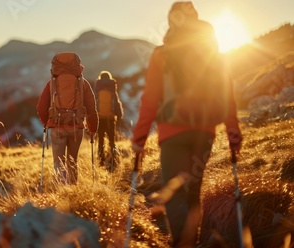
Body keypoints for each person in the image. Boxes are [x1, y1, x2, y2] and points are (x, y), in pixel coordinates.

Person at [131, 2, 243, 247]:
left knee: (174, 192)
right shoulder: (211, 51)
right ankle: (193, 240)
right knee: (193, 191)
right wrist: (233, 130)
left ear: (172, 21)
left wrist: (139, 138)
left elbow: (150, 99)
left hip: (173, 132)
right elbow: (226, 93)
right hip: (204, 131)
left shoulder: (162, 54)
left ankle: (183, 243)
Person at [37, 52, 98, 185]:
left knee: (58, 162)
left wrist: (47, 123)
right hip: (77, 128)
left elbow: (41, 107)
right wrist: (92, 128)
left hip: (57, 127)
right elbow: (92, 108)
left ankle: (61, 192)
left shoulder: (51, 83)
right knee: (72, 161)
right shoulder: (83, 83)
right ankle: (72, 191)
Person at [95, 71, 124, 170]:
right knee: (111, 139)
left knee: (100, 139)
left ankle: (101, 159)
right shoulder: (112, 88)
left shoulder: (98, 88)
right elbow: (116, 103)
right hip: (110, 119)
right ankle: (113, 159)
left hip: (100, 118)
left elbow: (94, 103)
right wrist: (119, 115)